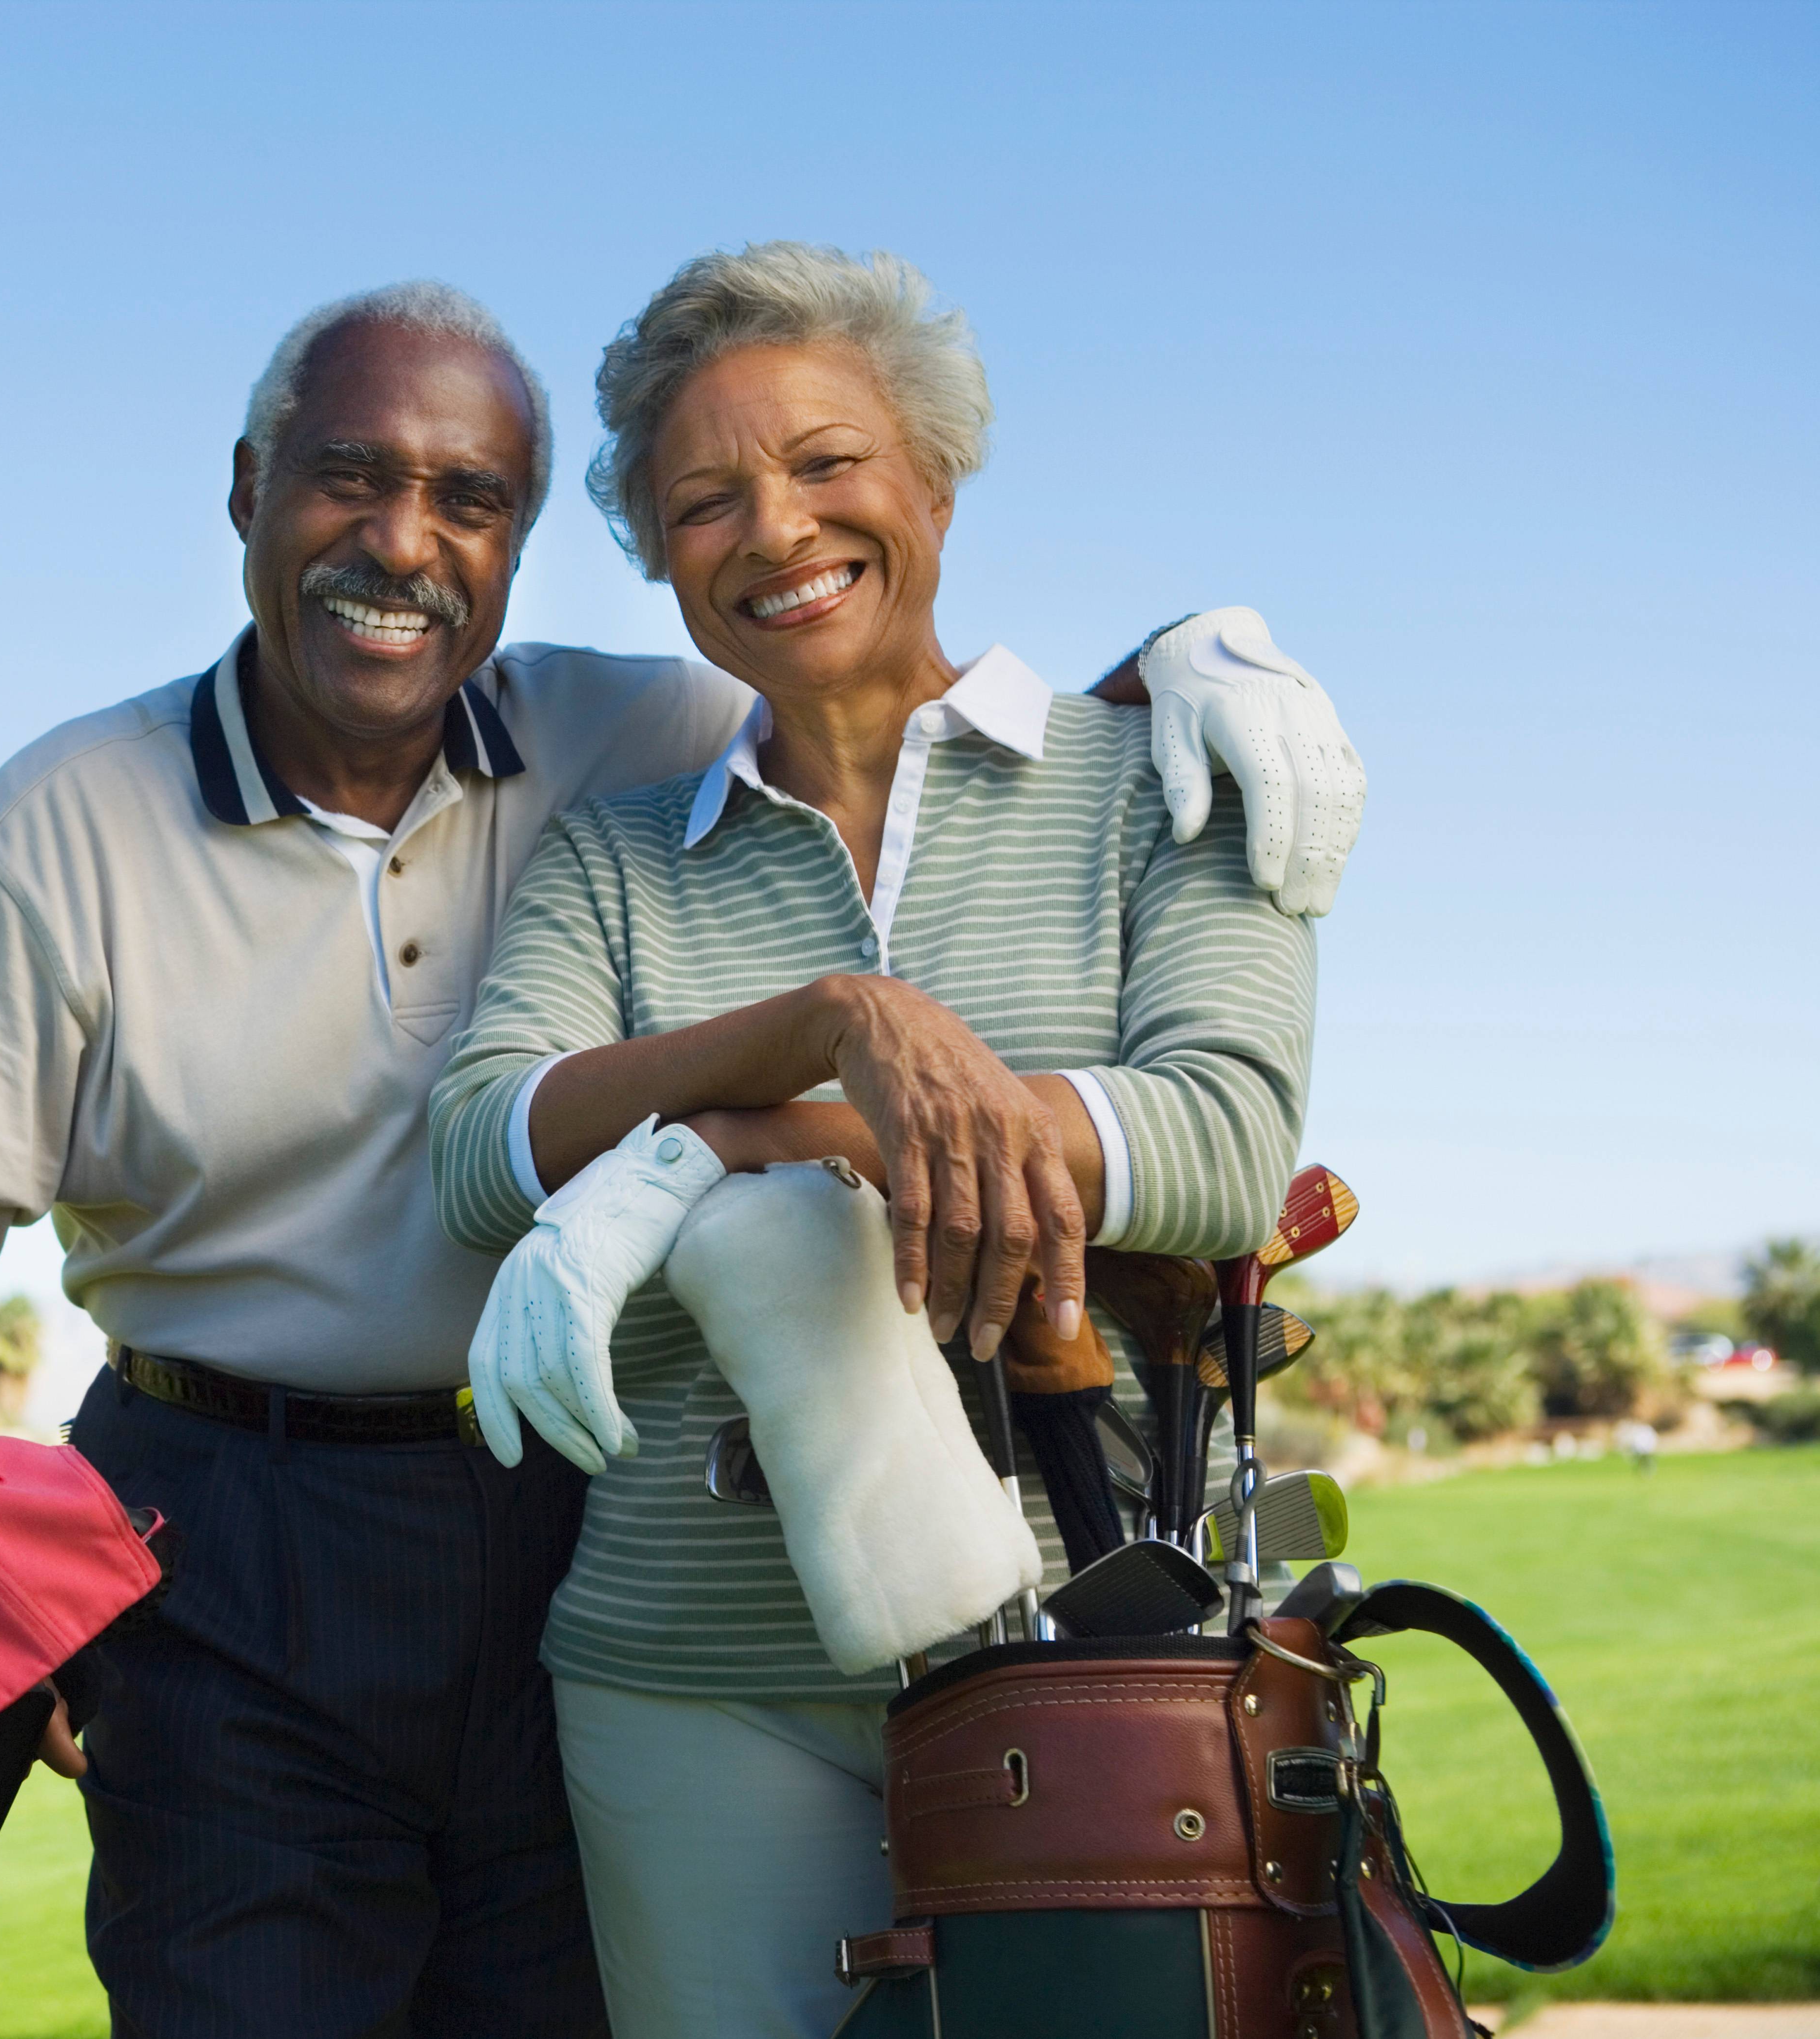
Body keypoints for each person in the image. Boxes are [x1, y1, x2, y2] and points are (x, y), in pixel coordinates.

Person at [0, 277, 1356, 2038]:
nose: (404, 541)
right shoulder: (79, 821)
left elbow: (898, 681)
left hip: (555, 1496)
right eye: (350, 476)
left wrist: (1201, 645)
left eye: (469, 498)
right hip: (230, 1527)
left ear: (519, 543)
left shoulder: (634, 732)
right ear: (248, 489)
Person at [430, 242, 1323, 2038]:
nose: (774, 528)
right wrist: (835, 1022)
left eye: (828, 462)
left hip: (1100, 1654)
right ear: (660, 551)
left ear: (935, 479)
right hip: (689, 1678)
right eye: (704, 500)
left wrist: (703, 1147)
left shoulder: (1164, 779)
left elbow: (1221, 1139)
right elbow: (482, 1151)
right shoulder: (614, 858)